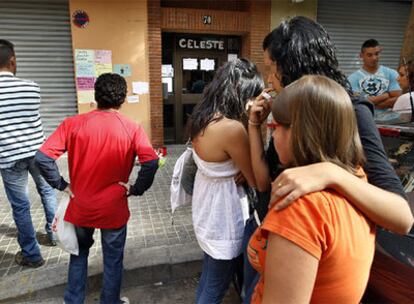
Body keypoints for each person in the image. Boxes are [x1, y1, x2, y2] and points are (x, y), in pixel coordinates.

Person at [244, 16, 413, 303]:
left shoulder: (351, 112)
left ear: (295, 69)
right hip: (272, 246)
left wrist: (330, 173)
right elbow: (264, 183)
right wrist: (254, 126)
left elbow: (402, 216)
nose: (269, 81)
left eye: (272, 70)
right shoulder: (292, 115)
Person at [248, 75, 376, 303]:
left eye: (276, 127)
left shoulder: (299, 207)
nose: (274, 135)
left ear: (300, 133)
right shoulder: (355, 178)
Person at [34, 73, 159, 304]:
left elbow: (42, 158)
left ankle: (73, 300)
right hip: (114, 208)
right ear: (123, 98)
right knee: (113, 260)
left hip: (81, 205)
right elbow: (151, 162)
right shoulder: (132, 128)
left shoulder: (72, 124)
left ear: (96, 96)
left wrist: (62, 185)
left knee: (78, 254)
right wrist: (135, 189)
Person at [188, 58, 262, 304]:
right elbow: (256, 179)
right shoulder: (232, 129)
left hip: (207, 206)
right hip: (224, 214)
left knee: (210, 274)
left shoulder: (203, 116)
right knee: (215, 286)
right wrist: (255, 125)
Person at [0, 39, 57, 268]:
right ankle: (54, 236)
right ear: (12, 61)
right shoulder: (32, 87)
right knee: (48, 192)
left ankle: (32, 255)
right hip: (38, 152)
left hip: (9, 157)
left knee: (21, 205)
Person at [348, 39, 401, 109]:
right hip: (367, 119)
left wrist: (371, 104)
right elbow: (357, 103)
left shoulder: (392, 73)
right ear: (361, 56)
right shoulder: (352, 78)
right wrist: (386, 95)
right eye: (369, 55)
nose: (374, 58)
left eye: (377, 54)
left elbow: (398, 99)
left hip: (392, 119)